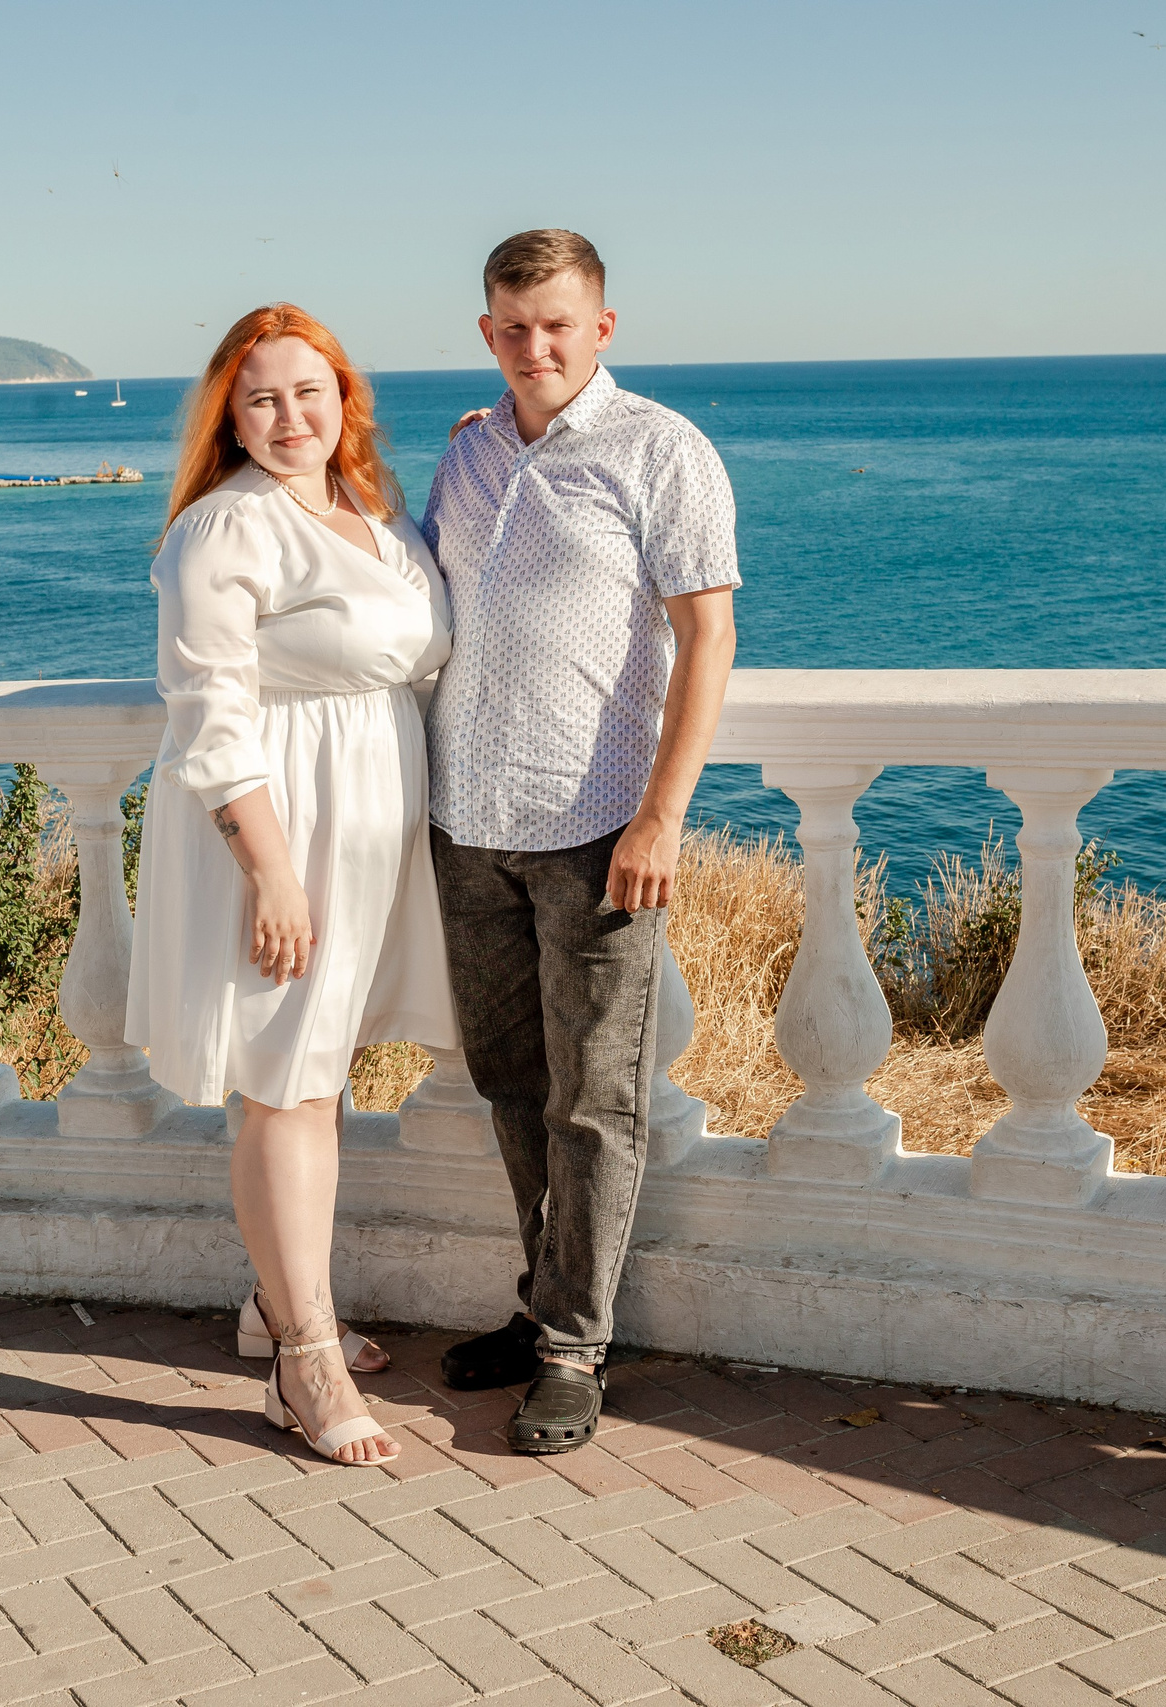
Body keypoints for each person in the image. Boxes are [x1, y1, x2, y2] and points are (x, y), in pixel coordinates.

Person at [422, 230, 740, 1454]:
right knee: (511, 1087)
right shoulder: (467, 451)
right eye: (512, 326)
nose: (534, 345)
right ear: (487, 333)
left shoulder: (662, 451)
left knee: (596, 1104)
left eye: (556, 322)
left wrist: (661, 813)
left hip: (600, 831)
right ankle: (538, 1300)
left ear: (601, 326)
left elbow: (705, 641)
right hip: (468, 827)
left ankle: (573, 1349)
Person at [127, 303, 457, 1465]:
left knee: (316, 1072)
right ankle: (300, 1360)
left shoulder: (372, 512)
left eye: (308, 393)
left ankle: (273, 1302)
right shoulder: (224, 529)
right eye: (259, 398)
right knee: (286, 1085)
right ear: (229, 413)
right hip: (284, 829)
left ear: (345, 399)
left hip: (366, 823)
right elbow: (206, 715)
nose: (287, 418)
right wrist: (269, 871)